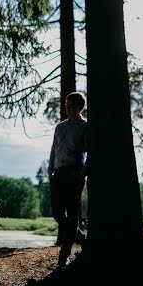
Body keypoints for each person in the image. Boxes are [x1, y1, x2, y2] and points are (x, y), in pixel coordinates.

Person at [48, 91, 88, 268]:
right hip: (58, 174)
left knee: (72, 215)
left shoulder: (85, 127)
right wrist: (50, 170)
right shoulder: (59, 127)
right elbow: (53, 150)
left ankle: (63, 256)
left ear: (79, 107)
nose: (66, 107)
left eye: (70, 104)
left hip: (73, 175)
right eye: (66, 104)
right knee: (58, 213)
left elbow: (90, 152)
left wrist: (82, 173)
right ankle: (83, 240)